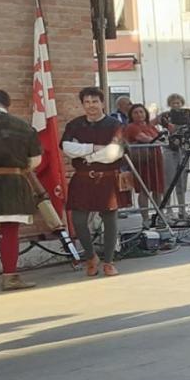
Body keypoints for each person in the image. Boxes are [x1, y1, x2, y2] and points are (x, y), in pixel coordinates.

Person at [62, 86, 128, 277]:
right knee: (79, 221)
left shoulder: (114, 124)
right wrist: (93, 147)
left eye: (95, 101)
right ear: (83, 104)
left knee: (110, 220)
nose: (91, 106)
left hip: (107, 177)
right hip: (82, 179)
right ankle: (91, 257)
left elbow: (113, 153)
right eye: (87, 102)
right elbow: (67, 147)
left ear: (102, 103)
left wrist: (87, 156)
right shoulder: (75, 124)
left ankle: (108, 261)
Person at [0, 89, 43, 292]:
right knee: (9, 231)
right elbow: (35, 161)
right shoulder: (24, 127)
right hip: (12, 182)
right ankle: (10, 277)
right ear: (8, 104)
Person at [121, 103, 164, 212]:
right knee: (144, 190)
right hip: (142, 162)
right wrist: (158, 141)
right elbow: (144, 138)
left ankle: (159, 215)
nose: (139, 114)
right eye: (136, 112)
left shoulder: (150, 126)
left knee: (157, 189)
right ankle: (145, 219)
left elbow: (160, 137)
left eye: (141, 112)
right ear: (131, 115)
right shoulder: (131, 127)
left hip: (156, 160)